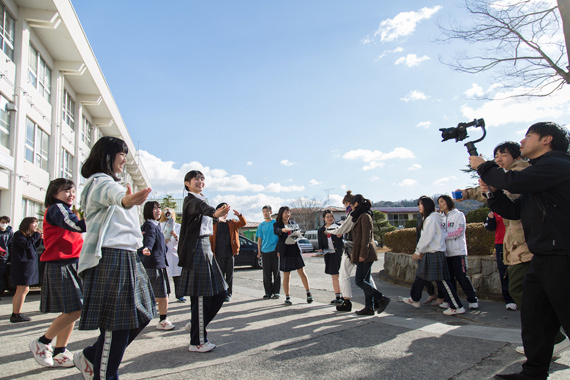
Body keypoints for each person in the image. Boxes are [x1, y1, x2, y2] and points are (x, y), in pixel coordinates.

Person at [469, 122, 570, 380]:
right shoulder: (540, 173)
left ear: (547, 139)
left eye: (528, 136)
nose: (522, 141)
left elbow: (511, 179)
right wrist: (492, 194)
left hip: (563, 255)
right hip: (543, 256)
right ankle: (533, 373)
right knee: (535, 320)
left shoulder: (557, 164)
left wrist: (483, 165)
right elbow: (515, 211)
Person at [74, 136, 155, 380]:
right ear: (108, 156)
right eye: (121, 154)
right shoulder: (99, 182)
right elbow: (113, 195)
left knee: (142, 314)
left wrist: (127, 199)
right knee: (115, 326)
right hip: (110, 257)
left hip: (129, 257)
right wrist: (126, 199)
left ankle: (91, 355)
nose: (124, 160)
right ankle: (104, 374)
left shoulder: (114, 183)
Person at [29, 179, 86, 368]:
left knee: (70, 310)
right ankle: (43, 342)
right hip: (60, 263)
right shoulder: (57, 208)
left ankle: (60, 351)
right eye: (66, 191)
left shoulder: (66, 209)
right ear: (54, 194)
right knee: (75, 309)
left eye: (72, 190)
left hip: (71, 262)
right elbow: (76, 226)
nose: (71, 194)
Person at [177, 170, 230, 353]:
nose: (200, 181)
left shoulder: (201, 200)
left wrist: (217, 218)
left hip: (206, 247)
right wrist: (215, 213)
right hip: (196, 249)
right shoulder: (191, 200)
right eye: (196, 179)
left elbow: (203, 220)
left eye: (202, 179)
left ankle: (195, 325)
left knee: (221, 293)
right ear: (187, 183)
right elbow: (202, 209)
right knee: (200, 297)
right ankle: (197, 341)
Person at [403, 196, 464, 315]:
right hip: (430, 252)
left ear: (427, 205)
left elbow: (427, 237)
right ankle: (414, 299)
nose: (419, 207)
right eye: (418, 204)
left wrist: (418, 251)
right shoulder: (431, 218)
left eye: (421, 204)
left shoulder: (431, 219)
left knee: (442, 281)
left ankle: (457, 306)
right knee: (420, 276)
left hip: (435, 253)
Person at [349, 194, 390, 316]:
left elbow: (366, 237)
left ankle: (381, 298)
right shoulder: (360, 216)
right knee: (365, 280)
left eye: (351, 204)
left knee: (359, 281)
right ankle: (369, 307)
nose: (350, 207)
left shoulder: (365, 216)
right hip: (363, 252)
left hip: (366, 254)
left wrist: (363, 254)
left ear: (356, 204)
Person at [437, 195, 478, 313]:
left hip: (458, 251)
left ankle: (472, 299)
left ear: (448, 202)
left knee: (461, 276)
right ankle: (451, 300)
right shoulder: (441, 217)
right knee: (449, 278)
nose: (440, 204)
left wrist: (443, 236)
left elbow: (459, 232)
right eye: (439, 202)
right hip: (446, 252)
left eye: (442, 202)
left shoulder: (459, 215)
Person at [141, 201, 175, 330]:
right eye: (154, 208)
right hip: (154, 264)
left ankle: (162, 319)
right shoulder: (150, 224)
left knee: (160, 295)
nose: (158, 211)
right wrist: (148, 248)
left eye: (159, 208)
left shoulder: (156, 225)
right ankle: (162, 320)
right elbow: (150, 238)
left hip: (158, 263)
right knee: (161, 295)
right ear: (148, 211)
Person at [274, 206, 313, 305]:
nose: (287, 215)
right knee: (286, 275)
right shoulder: (277, 224)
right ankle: (287, 297)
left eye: (288, 212)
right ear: (281, 214)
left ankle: (308, 293)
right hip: (285, 251)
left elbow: (299, 233)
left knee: (302, 272)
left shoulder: (293, 224)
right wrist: (283, 230)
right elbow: (277, 231)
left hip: (295, 249)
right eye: (285, 213)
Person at [210, 203, 246, 302]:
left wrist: (239, 215)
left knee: (229, 275)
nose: (223, 213)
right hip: (218, 253)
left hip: (229, 253)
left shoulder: (231, 223)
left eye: (225, 211)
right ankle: (219, 293)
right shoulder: (214, 223)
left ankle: (228, 294)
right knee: (219, 275)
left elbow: (243, 223)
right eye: (222, 210)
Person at [10, 217, 42, 323]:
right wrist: (36, 235)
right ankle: (16, 314)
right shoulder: (18, 234)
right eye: (34, 223)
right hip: (22, 267)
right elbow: (26, 245)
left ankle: (17, 312)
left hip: (28, 266)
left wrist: (39, 238)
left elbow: (34, 245)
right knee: (22, 289)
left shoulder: (28, 235)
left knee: (24, 289)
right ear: (27, 224)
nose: (36, 226)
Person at [484, 211, 516, 310]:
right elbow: (489, 227)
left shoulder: (516, 207)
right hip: (501, 244)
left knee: (518, 270)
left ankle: (520, 297)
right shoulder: (494, 212)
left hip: (517, 243)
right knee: (504, 271)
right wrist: (491, 219)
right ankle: (509, 300)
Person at [317, 210, 344, 304]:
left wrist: (340, 235)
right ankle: (338, 296)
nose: (330, 218)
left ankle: (344, 296)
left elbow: (343, 238)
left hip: (339, 254)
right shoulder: (321, 230)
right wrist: (320, 249)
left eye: (331, 216)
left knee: (341, 275)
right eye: (327, 217)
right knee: (334, 275)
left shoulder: (338, 227)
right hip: (329, 255)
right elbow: (320, 243)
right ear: (324, 219)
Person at [160, 208, 185, 302]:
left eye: (169, 210)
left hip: (175, 253)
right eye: (165, 210)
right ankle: (164, 295)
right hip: (164, 252)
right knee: (164, 276)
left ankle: (180, 295)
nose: (168, 212)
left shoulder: (178, 226)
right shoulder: (160, 225)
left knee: (177, 275)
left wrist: (175, 236)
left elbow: (182, 239)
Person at [256, 205, 280, 299]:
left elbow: (279, 238)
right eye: (263, 211)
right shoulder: (261, 225)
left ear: (271, 212)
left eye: (267, 211)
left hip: (274, 251)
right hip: (265, 251)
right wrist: (259, 252)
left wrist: (279, 251)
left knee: (276, 272)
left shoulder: (275, 223)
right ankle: (268, 292)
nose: (265, 213)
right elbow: (259, 240)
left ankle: (276, 292)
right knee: (266, 273)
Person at [0, 215, 13, 298]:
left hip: (3, 257)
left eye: (6, 223)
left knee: (1, 276)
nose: (4, 224)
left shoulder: (9, 232)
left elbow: (10, 244)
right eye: (2, 222)